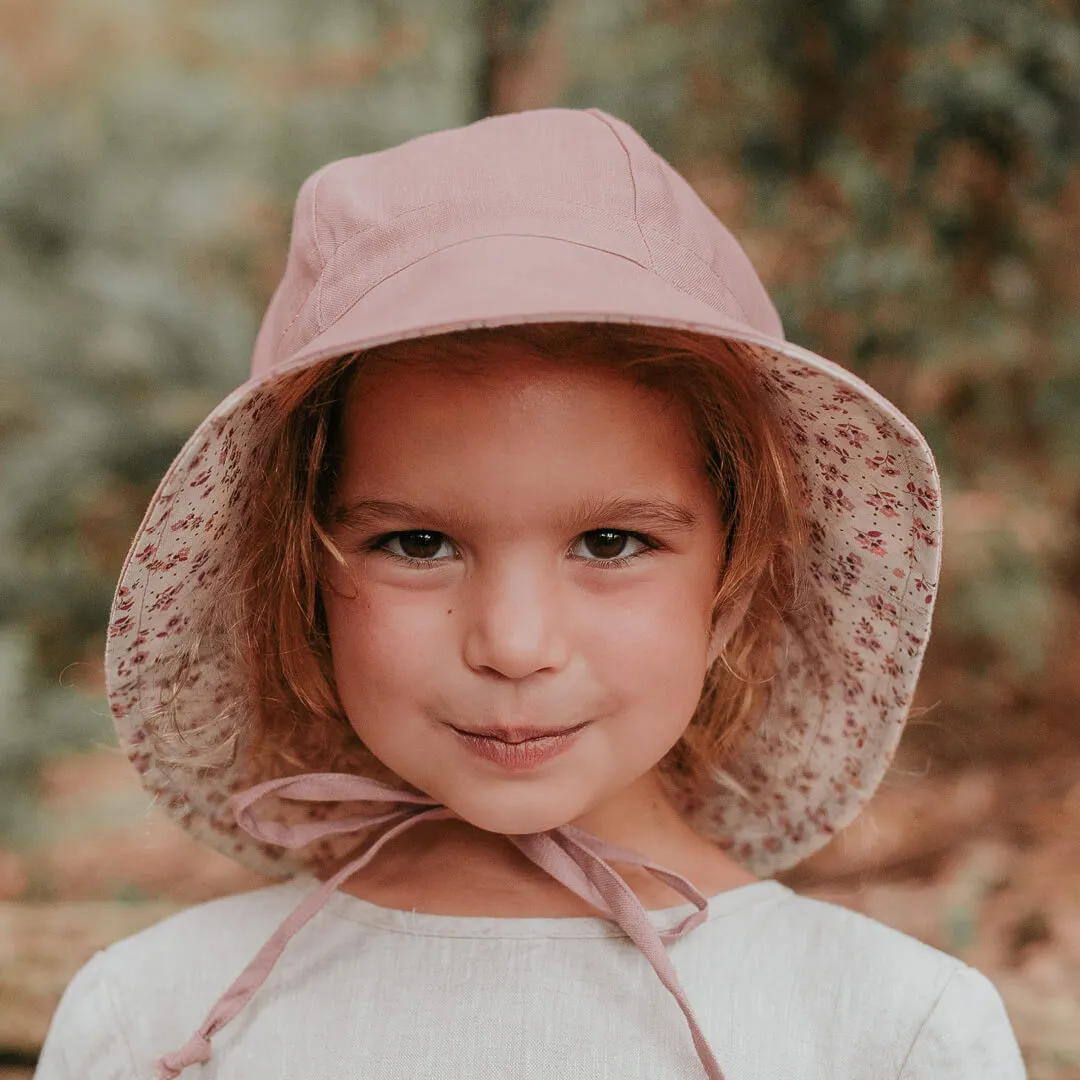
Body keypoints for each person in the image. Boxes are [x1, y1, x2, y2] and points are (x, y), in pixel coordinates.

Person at [34, 106, 1027, 1080]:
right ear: (304, 580)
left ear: (735, 573)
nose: (514, 643)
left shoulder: (888, 1034)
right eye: (418, 543)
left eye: (610, 541)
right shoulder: (160, 1024)